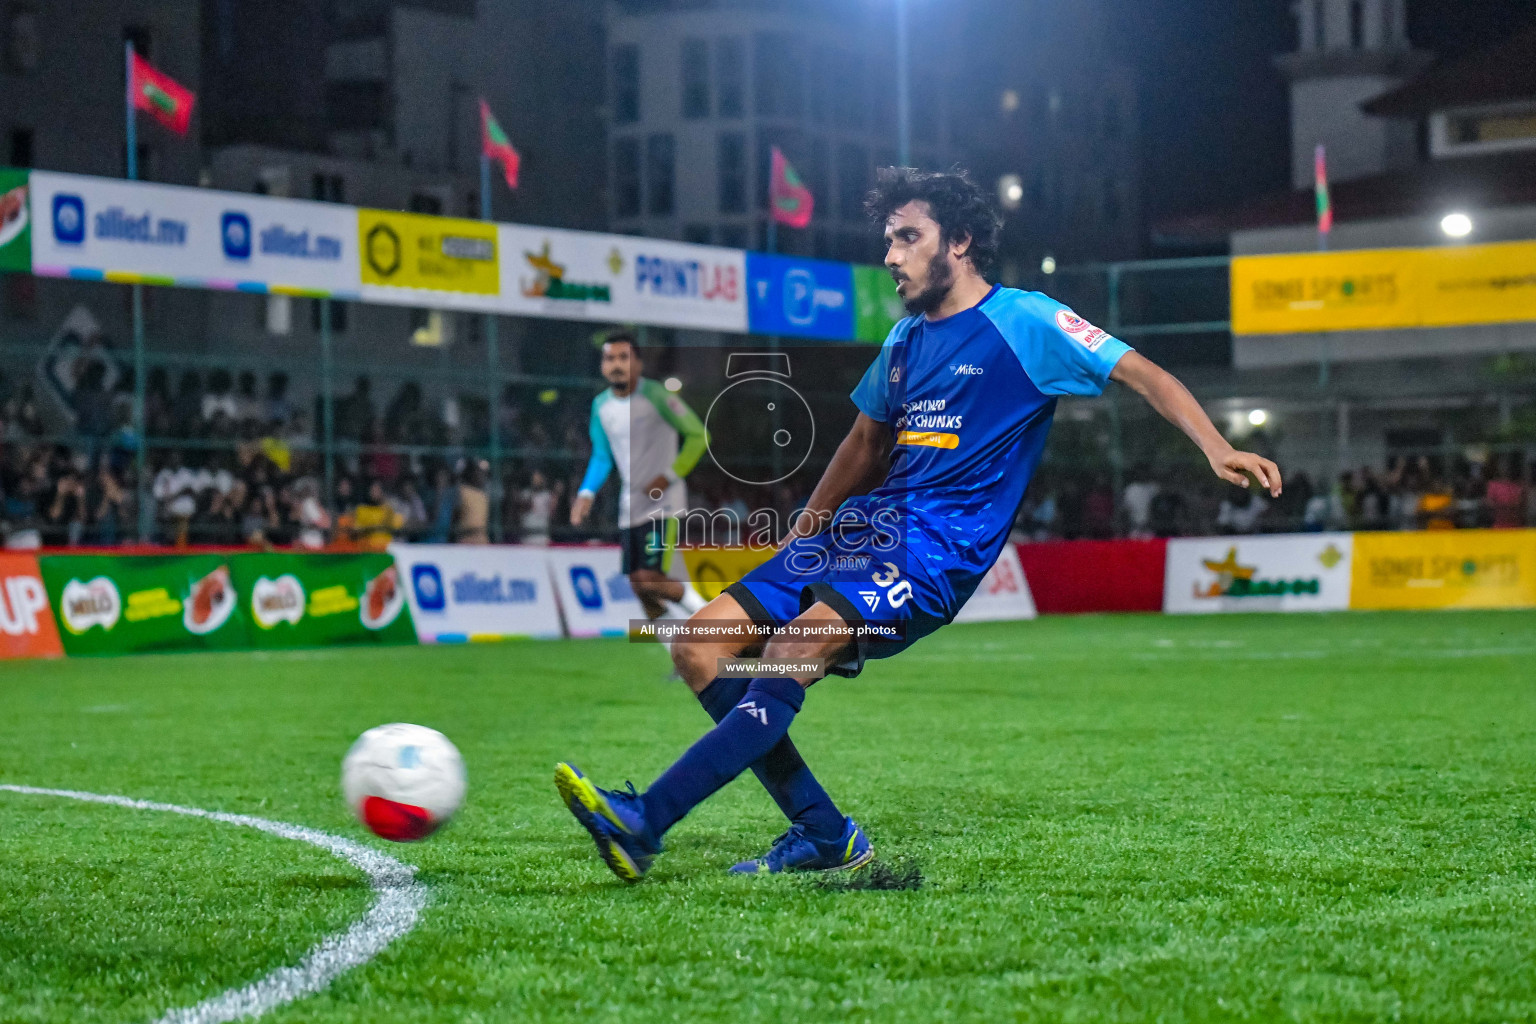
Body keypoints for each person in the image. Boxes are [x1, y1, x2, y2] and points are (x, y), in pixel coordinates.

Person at [552, 166, 1282, 882]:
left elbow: (1141, 373)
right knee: (698, 647)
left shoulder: (1023, 321)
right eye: (889, 239)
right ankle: (823, 833)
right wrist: (810, 523)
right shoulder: (904, 342)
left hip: (937, 551)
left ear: (958, 241)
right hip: (860, 533)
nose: (890, 255)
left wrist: (1217, 446)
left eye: (907, 237)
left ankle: (645, 819)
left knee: (790, 649)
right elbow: (865, 443)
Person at [570, 330, 710, 632]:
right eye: (610, 358)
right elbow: (602, 456)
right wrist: (586, 493)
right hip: (629, 506)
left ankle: (717, 624)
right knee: (638, 586)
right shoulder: (601, 406)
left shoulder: (657, 396)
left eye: (624, 357)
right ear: (602, 365)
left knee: (649, 579)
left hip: (663, 503)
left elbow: (699, 436)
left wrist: (668, 476)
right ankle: (682, 656)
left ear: (638, 363)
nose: (616, 364)